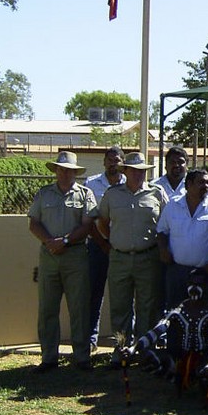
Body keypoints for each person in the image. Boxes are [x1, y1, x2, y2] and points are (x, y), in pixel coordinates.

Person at [97, 152, 168, 367]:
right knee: (120, 306)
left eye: (142, 171)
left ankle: (144, 349)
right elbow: (102, 222)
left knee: (147, 305)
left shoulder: (156, 193)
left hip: (148, 257)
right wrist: (115, 242)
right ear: (125, 171)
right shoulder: (112, 194)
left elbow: (165, 225)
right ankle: (121, 349)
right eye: (134, 171)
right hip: (119, 258)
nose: (138, 175)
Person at [28, 151, 96, 373]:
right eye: (61, 169)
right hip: (49, 256)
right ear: (56, 171)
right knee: (47, 307)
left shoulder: (85, 194)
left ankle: (82, 357)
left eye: (69, 170)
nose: (65, 173)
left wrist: (65, 241)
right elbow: (33, 223)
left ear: (75, 173)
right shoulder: (43, 194)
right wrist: (49, 242)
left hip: (75, 256)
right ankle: (49, 357)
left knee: (79, 307)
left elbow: (88, 225)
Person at [128, 268, 208, 399]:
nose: (194, 288)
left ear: (205, 287)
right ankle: (176, 380)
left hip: (202, 357)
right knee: (147, 358)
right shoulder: (178, 310)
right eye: (191, 284)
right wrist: (133, 349)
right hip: (180, 357)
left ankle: (201, 388)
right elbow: (157, 330)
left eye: (199, 284)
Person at [157, 169, 208, 309]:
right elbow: (161, 231)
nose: (205, 186)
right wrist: (163, 250)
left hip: (206, 273)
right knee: (174, 313)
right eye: (201, 182)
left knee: (207, 314)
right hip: (177, 272)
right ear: (189, 185)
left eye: (207, 182)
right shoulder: (173, 205)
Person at [84, 146, 125, 351]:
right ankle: (91, 339)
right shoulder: (91, 184)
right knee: (94, 292)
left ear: (122, 162)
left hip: (122, 247)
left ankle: (123, 341)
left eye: (116, 160)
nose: (113, 163)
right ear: (103, 162)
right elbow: (89, 219)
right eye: (109, 160)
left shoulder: (130, 184)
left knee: (122, 296)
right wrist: (102, 243)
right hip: (97, 245)